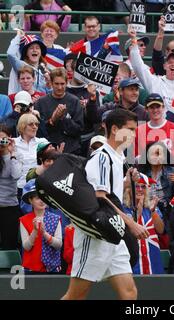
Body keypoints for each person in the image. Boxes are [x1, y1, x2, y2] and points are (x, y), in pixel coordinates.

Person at [62, 108, 149, 300]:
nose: (134, 134)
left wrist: (126, 183)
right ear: (115, 129)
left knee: (129, 293)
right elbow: (100, 197)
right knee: (75, 296)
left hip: (112, 236)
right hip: (94, 236)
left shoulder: (118, 157)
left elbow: (109, 191)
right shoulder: (102, 157)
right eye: (131, 129)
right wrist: (130, 223)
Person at [128, 26, 174, 113]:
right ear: (164, 66)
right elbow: (138, 66)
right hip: (158, 124)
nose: (172, 64)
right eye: (169, 62)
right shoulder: (155, 82)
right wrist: (134, 41)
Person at [34, 67, 84, 155]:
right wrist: (52, 121)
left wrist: (64, 118)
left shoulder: (74, 101)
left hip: (71, 151)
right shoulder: (41, 102)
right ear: (51, 83)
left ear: (67, 83)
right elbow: (37, 131)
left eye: (62, 84)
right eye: (56, 84)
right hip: (47, 152)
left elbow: (79, 129)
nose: (59, 87)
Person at [134, 94, 174, 176]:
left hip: (170, 178)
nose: (155, 110)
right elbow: (136, 158)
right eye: (151, 107)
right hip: (147, 178)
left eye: (158, 107)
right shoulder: (139, 130)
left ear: (163, 107)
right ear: (146, 109)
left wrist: (154, 155)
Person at [123, 174, 165, 274]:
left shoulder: (151, 207)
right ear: (128, 189)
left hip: (152, 258)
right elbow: (126, 233)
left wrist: (152, 211)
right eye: (137, 186)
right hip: (133, 260)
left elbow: (161, 230)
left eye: (143, 186)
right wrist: (138, 214)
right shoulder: (122, 208)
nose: (140, 189)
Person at [20, 179, 62, 274]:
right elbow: (26, 247)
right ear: (31, 200)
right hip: (30, 267)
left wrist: (44, 233)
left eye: (44, 197)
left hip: (51, 268)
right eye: (38, 198)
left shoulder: (55, 218)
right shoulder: (24, 220)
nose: (42, 201)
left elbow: (59, 244)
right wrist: (35, 231)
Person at [0, 125, 23, 249]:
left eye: (3, 139)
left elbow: (16, 175)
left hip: (9, 206)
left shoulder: (17, 155)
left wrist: (12, 153)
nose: (1, 142)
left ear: (9, 138)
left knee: (9, 244)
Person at [13, 113, 48, 197]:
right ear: (22, 126)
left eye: (36, 124)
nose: (35, 127)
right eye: (31, 124)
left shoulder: (42, 142)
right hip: (18, 187)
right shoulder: (13, 142)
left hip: (38, 187)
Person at [7, 30, 49, 95]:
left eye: (37, 48)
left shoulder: (44, 70)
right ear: (26, 53)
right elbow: (10, 54)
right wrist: (18, 37)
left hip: (40, 103)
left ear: (41, 52)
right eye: (31, 48)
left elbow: (49, 93)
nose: (34, 50)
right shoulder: (22, 66)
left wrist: (49, 83)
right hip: (22, 103)